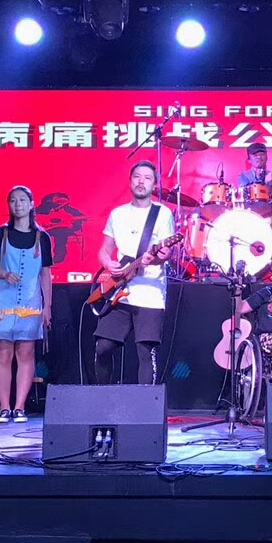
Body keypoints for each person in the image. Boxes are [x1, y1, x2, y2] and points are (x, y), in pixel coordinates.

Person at [95, 162, 177, 384]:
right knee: (103, 346)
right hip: (120, 291)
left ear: (155, 184)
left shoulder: (162, 214)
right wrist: (108, 263)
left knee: (145, 351)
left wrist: (155, 258)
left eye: (147, 178)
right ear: (130, 181)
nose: (141, 182)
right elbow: (104, 250)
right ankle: (103, 397)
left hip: (150, 293)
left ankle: (146, 403)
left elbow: (167, 253)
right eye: (137, 177)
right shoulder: (117, 214)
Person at [0, 186, 54, 423]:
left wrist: (47, 307)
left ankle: (20, 406)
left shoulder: (42, 237)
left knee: (26, 352)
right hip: (2, 299)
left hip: (30, 300)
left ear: (32, 204)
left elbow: (45, 274)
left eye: (23, 200)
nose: (18, 205)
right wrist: (4, 273)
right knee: (3, 352)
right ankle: (4, 407)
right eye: (13, 200)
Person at [36, 192, 86, 265]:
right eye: (59, 201)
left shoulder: (69, 209)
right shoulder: (44, 208)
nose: (61, 204)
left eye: (63, 202)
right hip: (46, 229)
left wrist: (73, 221)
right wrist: (44, 221)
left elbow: (82, 216)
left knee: (61, 233)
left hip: (63, 230)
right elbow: (32, 214)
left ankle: (59, 257)